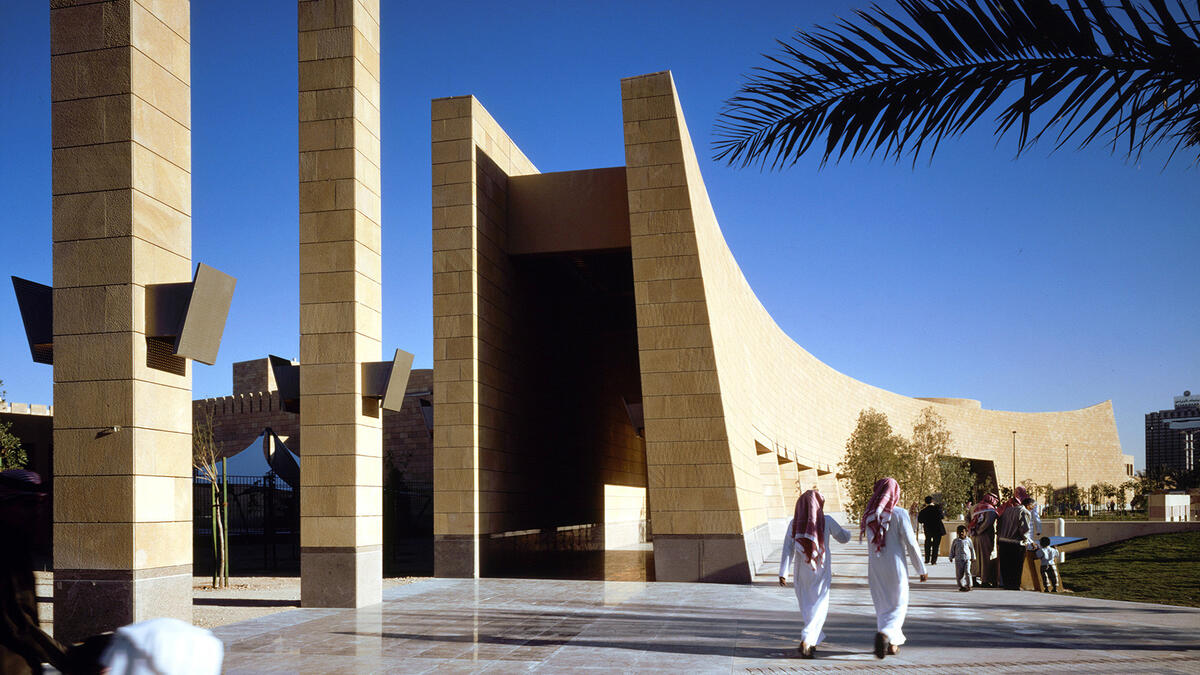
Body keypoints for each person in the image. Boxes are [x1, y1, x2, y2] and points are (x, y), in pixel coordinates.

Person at [0, 470, 73, 675]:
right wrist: (69, 659)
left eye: (40, 505)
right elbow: (18, 624)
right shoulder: (7, 551)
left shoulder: (17, 546)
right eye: (28, 505)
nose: (36, 513)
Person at [778, 489, 851, 659]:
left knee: (807, 606)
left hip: (800, 571)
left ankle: (811, 643)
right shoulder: (827, 521)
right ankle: (807, 639)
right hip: (821, 569)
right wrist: (850, 533)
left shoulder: (794, 523)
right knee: (820, 605)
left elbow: (787, 549)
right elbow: (843, 538)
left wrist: (783, 573)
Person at [860, 477, 927, 660]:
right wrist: (921, 569)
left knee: (882, 606)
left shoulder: (868, 516)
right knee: (899, 604)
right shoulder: (899, 513)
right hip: (895, 567)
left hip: (875, 569)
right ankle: (887, 634)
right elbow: (911, 544)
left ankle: (891, 642)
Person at [996, 496, 1035, 590]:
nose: (1033, 508)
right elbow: (1024, 529)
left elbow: (999, 525)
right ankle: (1014, 585)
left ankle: (1006, 584)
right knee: (1016, 566)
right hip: (1015, 543)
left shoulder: (1007, 510)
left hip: (1003, 541)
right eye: (1033, 506)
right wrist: (1029, 541)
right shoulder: (1024, 512)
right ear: (1028, 505)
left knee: (1005, 565)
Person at [968, 493, 999, 587]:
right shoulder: (990, 509)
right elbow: (988, 523)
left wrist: (972, 529)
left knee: (975, 557)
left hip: (974, 536)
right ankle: (985, 580)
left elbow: (967, 519)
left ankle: (973, 579)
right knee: (986, 558)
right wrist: (980, 530)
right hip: (985, 537)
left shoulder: (974, 507)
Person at [917, 496, 946, 565]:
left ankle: (927, 559)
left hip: (928, 529)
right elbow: (942, 516)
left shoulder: (923, 510)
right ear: (932, 501)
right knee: (936, 545)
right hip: (937, 529)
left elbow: (920, 520)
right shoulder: (937, 508)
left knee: (927, 543)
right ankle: (934, 560)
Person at [949, 525, 973, 591]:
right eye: (959, 532)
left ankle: (969, 585)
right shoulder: (955, 541)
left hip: (967, 559)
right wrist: (951, 557)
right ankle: (961, 586)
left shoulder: (968, 540)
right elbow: (952, 550)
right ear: (957, 533)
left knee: (968, 572)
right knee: (959, 574)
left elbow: (971, 549)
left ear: (966, 532)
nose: (961, 533)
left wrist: (973, 557)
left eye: (963, 532)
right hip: (958, 560)